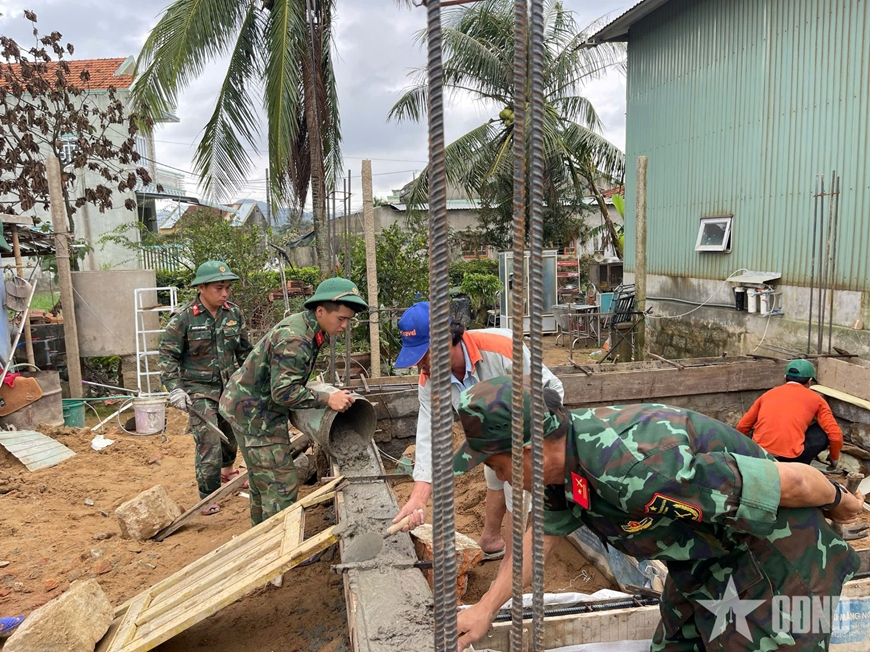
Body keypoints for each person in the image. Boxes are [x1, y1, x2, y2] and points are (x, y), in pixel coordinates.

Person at [453, 377, 862, 651]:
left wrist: (839, 498)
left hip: (777, 559)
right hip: (704, 561)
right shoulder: (558, 470)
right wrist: (485, 610)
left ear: (527, 450)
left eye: (496, 465)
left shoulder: (641, 467)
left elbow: (788, 483)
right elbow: (534, 542)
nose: (498, 476)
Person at [391, 301, 563, 560]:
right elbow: (430, 436)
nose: (421, 366)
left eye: (425, 355)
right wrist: (418, 497)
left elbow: (547, 392)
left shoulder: (502, 348)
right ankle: (491, 539)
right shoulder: (429, 380)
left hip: (535, 415)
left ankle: (512, 564)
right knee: (493, 474)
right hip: (491, 429)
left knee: (516, 485)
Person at [219, 277, 368, 526]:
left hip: (249, 407)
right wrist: (327, 399)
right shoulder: (296, 339)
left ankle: (261, 538)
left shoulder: (310, 329)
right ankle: (280, 546)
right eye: (341, 319)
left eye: (348, 320)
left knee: (262, 479)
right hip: (256, 414)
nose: (345, 326)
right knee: (281, 483)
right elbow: (284, 392)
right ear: (320, 311)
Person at [158, 260, 252, 516]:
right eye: (219, 288)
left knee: (232, 435)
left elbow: (246, 352)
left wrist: (256, 381)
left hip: (229, 386)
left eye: (228, 288)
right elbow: (167, 357)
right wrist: (175, 389)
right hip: (198, 389)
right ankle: (208, 494)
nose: (224, 293)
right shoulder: (184, 318)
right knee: (209, 440)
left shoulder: (233, 314)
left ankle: (228, 470)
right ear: (201, 287)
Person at [737, 358, 843, 467]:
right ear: (809, 381)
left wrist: (743, 452)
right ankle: (802, 468)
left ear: (784, 378)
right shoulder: (817, 400)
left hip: (760, 454)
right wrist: (834, 458)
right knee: (823, 431)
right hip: (791, 459)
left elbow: (742, 426)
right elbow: (835, 435)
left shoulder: (768, 394)